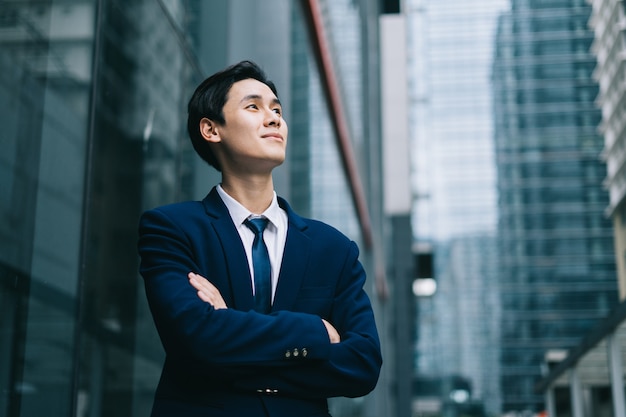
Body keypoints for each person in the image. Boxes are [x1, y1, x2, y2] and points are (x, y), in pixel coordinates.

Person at [137, 60, 382, 417]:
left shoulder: (334, 249)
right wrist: (315, 331)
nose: (274, 118)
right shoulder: (172, 229)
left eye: (277, 109)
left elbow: (363, 364)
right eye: (253, 107)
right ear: (211, 129)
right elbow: (196, 337)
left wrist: (231, 337)